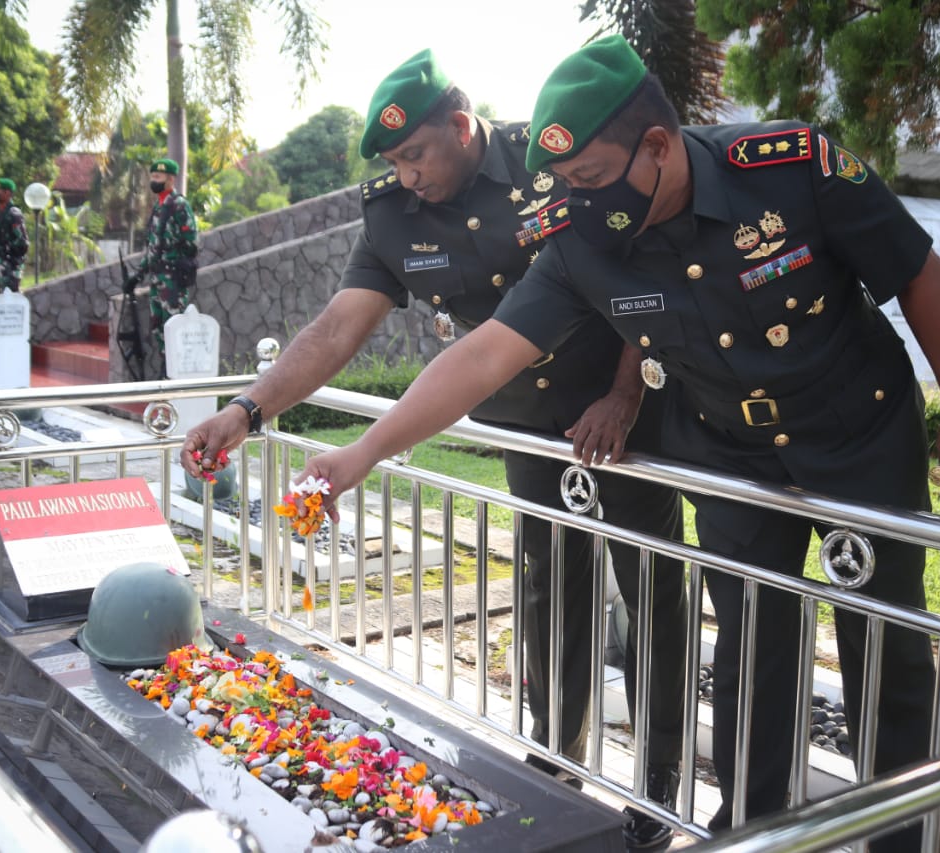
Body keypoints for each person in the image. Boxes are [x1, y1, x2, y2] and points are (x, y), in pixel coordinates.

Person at [293, 34, 940, 852]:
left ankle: (899, 838)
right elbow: (482, 355)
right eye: (563, 184)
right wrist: (362, 452)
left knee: (884, 649)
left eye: (589, 178)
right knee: (751, 650)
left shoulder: (788, 167)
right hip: (731, 454)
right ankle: (750, 832)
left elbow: (915, 270)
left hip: (859, 437)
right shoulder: (582, 238)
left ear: (656, 148)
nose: (575, 201)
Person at [181, 49, 688, 850]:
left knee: (654, 591)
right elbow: (336, 329)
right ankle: (555, 762)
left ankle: (660, 788)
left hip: (622, 424)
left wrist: (626, 392)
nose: (407, 175)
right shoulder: (392, 215)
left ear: (460, 126)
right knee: (552, 594)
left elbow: (639, 270)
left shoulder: (547, 157)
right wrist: (246, 410)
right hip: (530, 429)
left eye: (415, 154)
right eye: (394, 162)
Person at [124, 157, 199, 372]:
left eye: (158, 177)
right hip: (158, 279)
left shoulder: (178, 205)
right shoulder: (159, 206)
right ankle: (166, 371)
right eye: (153, 176)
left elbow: (191, 242)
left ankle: (175, 373)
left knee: (174, 325)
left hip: (173, 279)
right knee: (159, 328)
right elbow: (153, 247)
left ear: (170, 179)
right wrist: (138, 275)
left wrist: (180, 262)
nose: (154, 180)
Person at [0, 178, 28, 294]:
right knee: (0, 301)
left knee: (11, 300)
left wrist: (6, 250)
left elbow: (23, 242)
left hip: (11, 267)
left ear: (7, 193)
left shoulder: (14, 214)